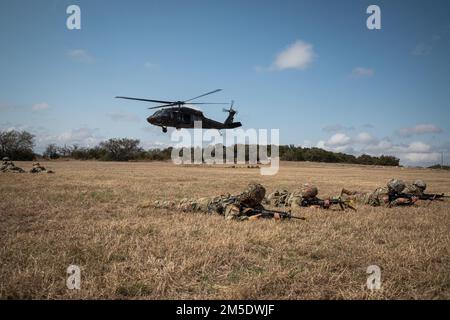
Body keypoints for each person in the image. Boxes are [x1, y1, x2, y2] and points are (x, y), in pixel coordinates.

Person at [153, 183, 267, 220]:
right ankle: (153, 203)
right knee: (175, 204)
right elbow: (231, 219)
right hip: (202, 204)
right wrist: (249, 218)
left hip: (210, 201)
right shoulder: (234, 204)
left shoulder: (253, 204)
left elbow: (262, 212)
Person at [340, 179, 418, 207]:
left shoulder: (388, 191)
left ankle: (346, 191)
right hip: (364, 200)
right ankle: (345, 194)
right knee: (346, 200)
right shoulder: (384, 194)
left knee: (357, 194)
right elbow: (386, 206)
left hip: (368, 195)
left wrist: (409, 203)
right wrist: (398, 201)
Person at [266, 184, 330, 209]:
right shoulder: (297, 197)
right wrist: (310, 208)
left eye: (313, 196)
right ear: (307, 194)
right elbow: (296, 207)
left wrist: (324, 203)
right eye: (311, 196)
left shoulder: (309, 197)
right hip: (274, 199)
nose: (313, 198)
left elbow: (318, 201)